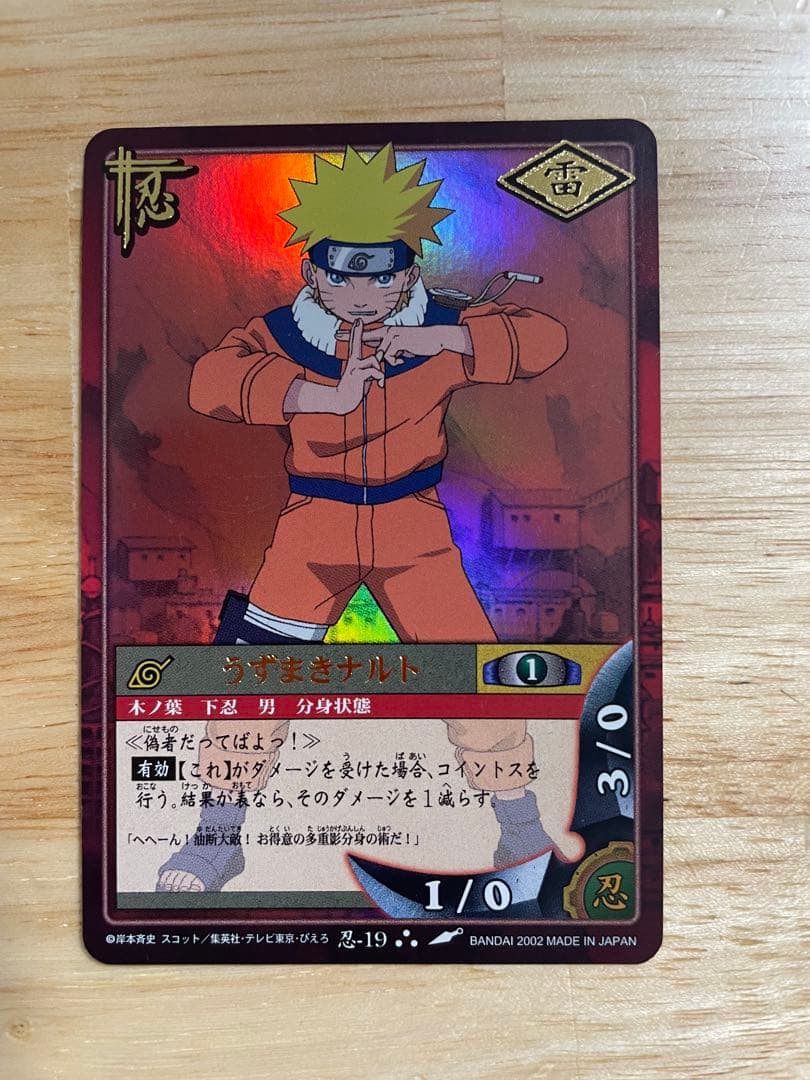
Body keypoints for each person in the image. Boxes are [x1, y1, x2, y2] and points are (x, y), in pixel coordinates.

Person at [157, 144, 583, 893]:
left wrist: (444, 337)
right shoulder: (281, 335)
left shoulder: (442, 328)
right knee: (255, 675)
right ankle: (216, 839)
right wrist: (318, 395)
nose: (364, 293)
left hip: (415, 529)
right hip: (311, 528)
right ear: (312, 271)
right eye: (343, 273)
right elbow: (210, 382)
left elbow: (545, 339)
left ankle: (518, 825)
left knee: (470, 673)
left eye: (383, 274)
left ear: (410, 272)